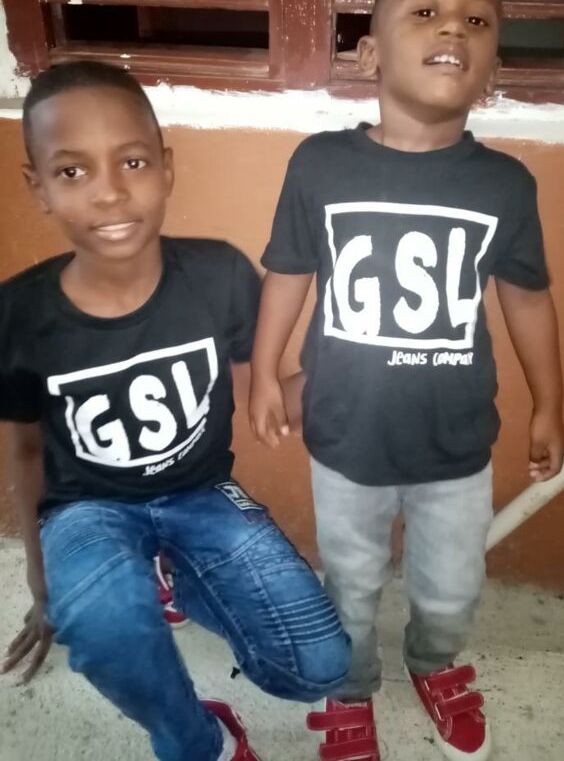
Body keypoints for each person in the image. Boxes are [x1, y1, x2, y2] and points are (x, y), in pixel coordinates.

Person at [250, 0, 564, 761]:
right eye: (425, 11)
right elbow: (288, 271)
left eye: (478, 19)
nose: (453, 27)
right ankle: (350, 684)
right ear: (369, 54)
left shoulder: (505, 186)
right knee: (349, 581)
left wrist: (549, 404)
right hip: (344, 436)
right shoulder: (320, 163)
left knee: (452, 585)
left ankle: (433, 659)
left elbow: (527, 296)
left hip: (456, 443)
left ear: (492, 65)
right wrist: (265, 372)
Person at [0, 61, 351, 761]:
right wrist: (43, 579)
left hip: (199, 491)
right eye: (73, 171)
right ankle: (197, 740)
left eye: (131, 162)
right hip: (85, 507)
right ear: (38, 186)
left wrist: (353, 364)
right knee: (101, 622)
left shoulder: (219, 275)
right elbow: (27, 449)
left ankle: (177, 573)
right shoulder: (18, 314)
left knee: (320, 666)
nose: (109, 191)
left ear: (165, 167)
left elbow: (266, 396)